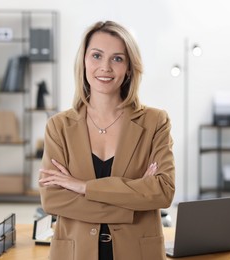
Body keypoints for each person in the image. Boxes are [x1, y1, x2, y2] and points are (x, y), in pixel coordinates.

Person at [39, 20, 175, 260]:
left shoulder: (155, 122)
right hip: (75, 253)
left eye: (117, 58)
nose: (105, 67)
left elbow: (163, 192)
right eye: (97, 56)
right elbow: (53, 199)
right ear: (83, 61)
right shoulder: (58, 127)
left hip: (138, 252)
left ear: (130, 68)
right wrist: (133, 200)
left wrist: (83, 187)